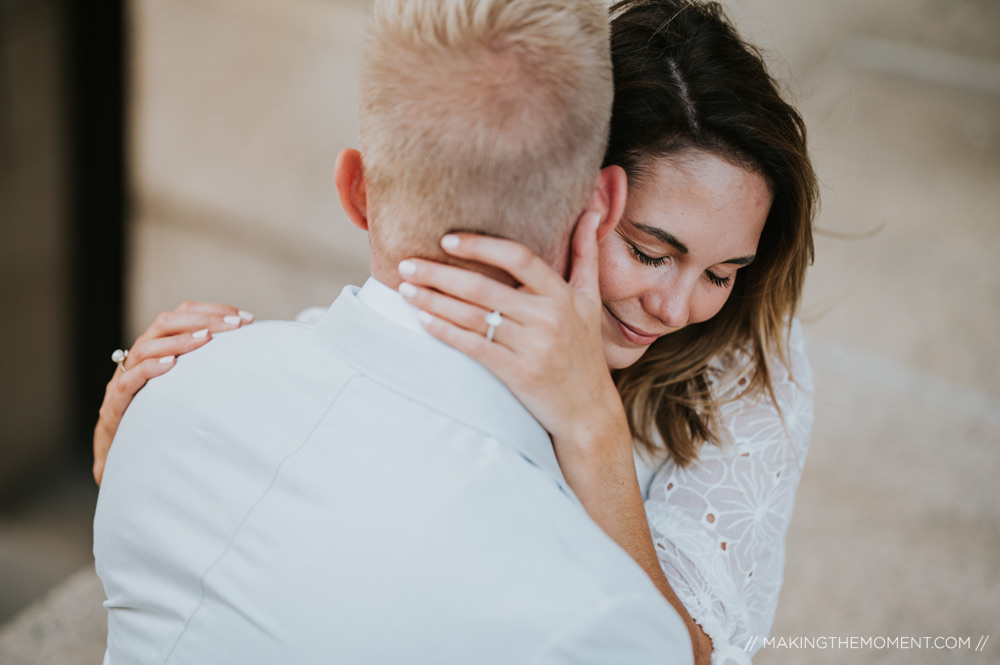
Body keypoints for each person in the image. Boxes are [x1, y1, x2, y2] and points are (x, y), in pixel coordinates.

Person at [96, 1, 818, 664]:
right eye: (649, 252)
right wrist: (129, 437)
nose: (675, 305)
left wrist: (596, 431)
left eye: (723, 273)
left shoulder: (738, 378)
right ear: (579, 198)